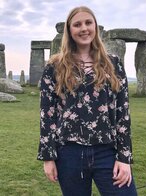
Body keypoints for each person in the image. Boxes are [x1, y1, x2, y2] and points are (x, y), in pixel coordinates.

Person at [37, 6, 137, 196]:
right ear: (69, 30)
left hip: (107, 150)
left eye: (88, 22)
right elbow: (47, 115)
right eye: (77, 24)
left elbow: (123, 113)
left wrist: (124, 158)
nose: (84, 28)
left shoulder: (113, 63)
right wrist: (48, 158)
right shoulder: (55, 66)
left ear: (95, 27)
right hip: (69, 153)